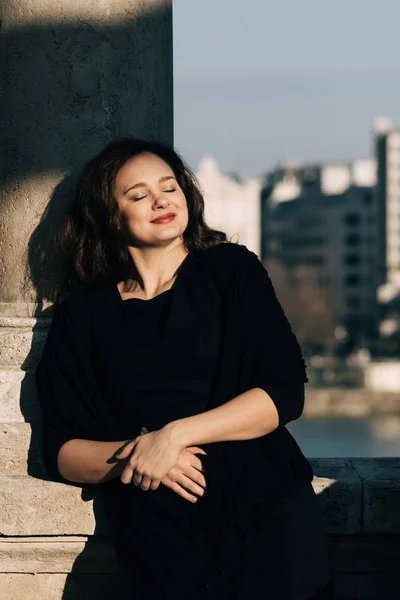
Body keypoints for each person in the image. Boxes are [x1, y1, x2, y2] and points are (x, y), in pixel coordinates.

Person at [35, 139, 334, 600]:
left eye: (169, 187)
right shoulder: (84, 315)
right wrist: (143, 455)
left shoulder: (232, 270)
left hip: (267, 511)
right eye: (137, 195)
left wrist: (173, 437)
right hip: (162, 533)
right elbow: (62, 450)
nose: (160, 201)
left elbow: (283, 394)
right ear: (108, 215)